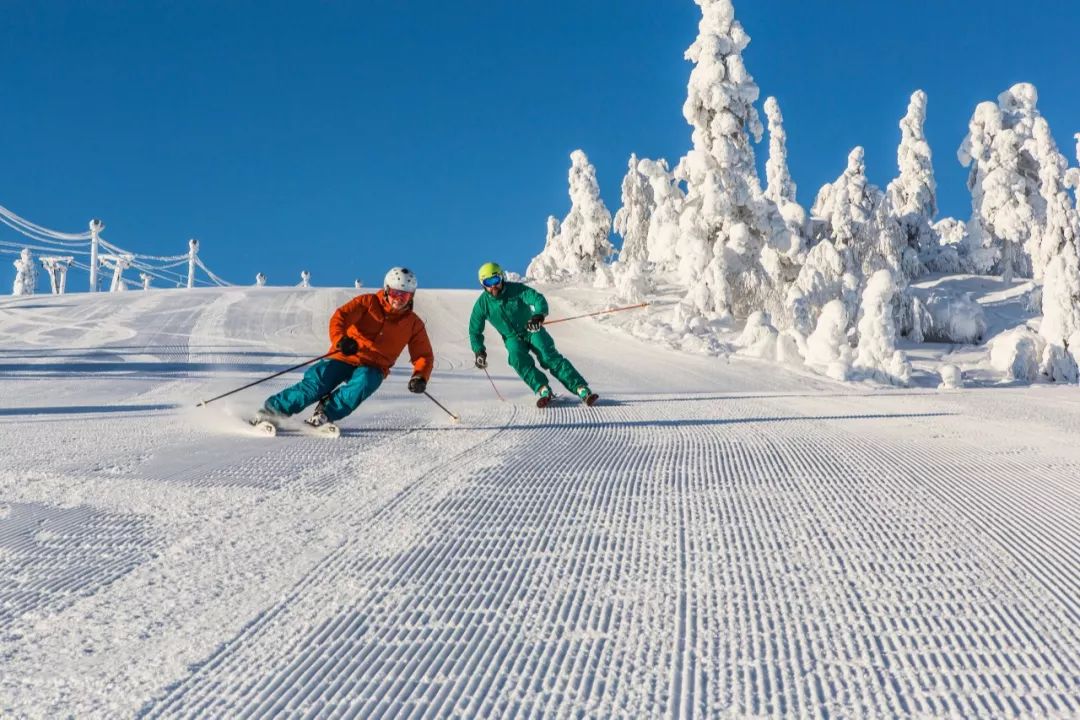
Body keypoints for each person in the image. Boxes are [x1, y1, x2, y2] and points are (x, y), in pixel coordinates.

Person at [255, 267, 434, 429]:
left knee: (364, 382)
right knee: (317, 383)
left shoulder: (413, 324)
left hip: (374, 366)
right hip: (345, 355)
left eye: (405, 296)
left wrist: (420, 376)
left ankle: (325, 413)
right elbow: (341, 317)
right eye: (396, 293)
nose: (399, 300)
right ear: (387, 289)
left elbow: (423, 355)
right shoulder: (368, 302)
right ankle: (271, 411)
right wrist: (341, 340)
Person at [469, 261, 597, 407]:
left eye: (496, 280)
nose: (493, 286)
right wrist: (479, 351)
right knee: (517, 358)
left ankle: (581, 388)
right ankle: (542, 389)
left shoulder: (516, 289)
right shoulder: (482, 304)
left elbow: (537, 299)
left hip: (531, 328)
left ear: (501, 277)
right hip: (512, 338)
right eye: (488, 282)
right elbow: (474, 331)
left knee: (548, 355)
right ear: (482, 284)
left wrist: (538, 316)